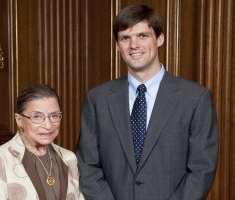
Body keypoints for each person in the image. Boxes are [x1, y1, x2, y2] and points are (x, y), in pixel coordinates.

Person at [76, 4, 219, 200]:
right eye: (125, 38)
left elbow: (202, 169)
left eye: (142, 36)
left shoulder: (195, 99)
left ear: (159, 39)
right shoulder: (97, 99)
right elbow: (87, 165)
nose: (134, 45)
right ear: (118, 46)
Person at [0, 85, 84, 200]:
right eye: (37, 117)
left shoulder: (69, 158)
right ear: (19, 120)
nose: (48, 125)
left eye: (54, 116)